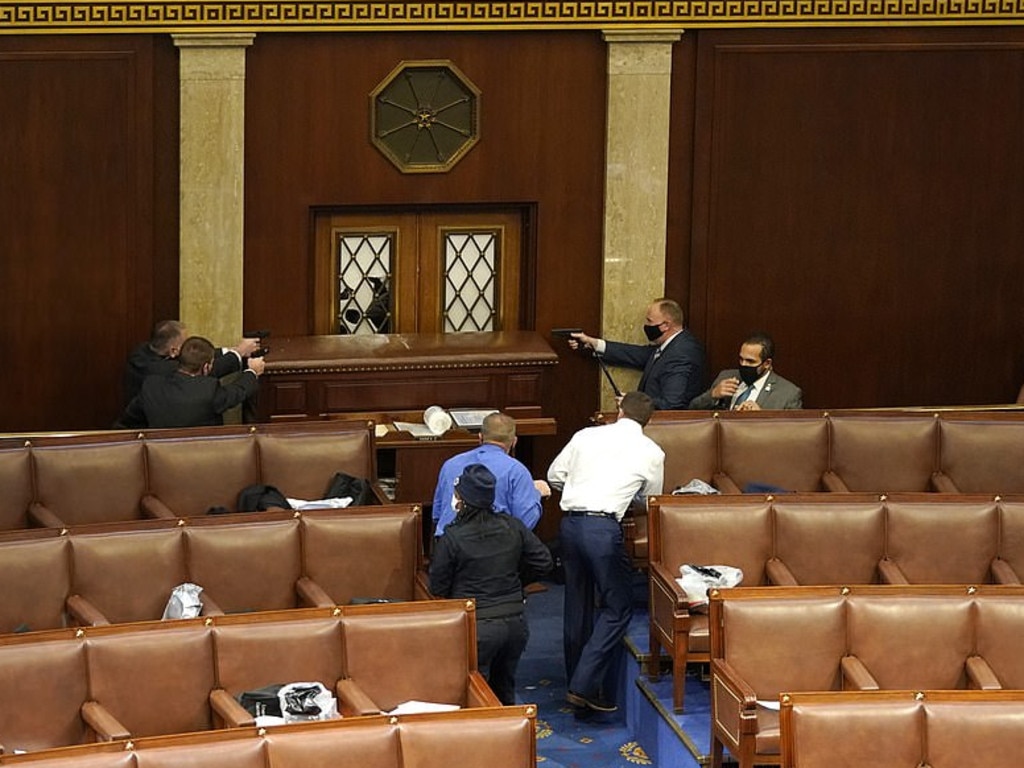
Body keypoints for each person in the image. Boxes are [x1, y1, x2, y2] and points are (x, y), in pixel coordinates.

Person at [547, 391, 664, 714]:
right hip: (604, 530)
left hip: (570, 525)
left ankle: (577, 682)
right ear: (647, 421)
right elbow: (649, 500)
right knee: (617, 607)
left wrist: (577, 490)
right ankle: (583, 685)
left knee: (577, 604)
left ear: (620, 411)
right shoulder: (652, 451)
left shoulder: (585, 435)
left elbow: (555, 475)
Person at [429, 463, 554, 705]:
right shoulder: (513, 526)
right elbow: (544, 562)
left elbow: (438, 587)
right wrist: (517, 583)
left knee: (475, 697)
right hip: (515, 623)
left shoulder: (452, 537)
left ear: (461, 499)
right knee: (504, 688)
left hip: (477, 626)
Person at [567, 298, 705, 410]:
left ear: (666, 325)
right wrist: (593, 343)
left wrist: (633, 403)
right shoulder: (673, 344)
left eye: (649, 321)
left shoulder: (682, 353)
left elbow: (672, 403)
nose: (646, 325)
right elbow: (636, 354)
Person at [432, 412, 550, 537]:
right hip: (490, 549)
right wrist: (535, 493)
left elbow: (437, 515)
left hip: (447, 545)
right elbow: (525, 522)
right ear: (514, 442)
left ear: (480, 437)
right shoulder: (517, 471)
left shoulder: (450, 465)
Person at [116, 336, 264, 429]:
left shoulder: (151, 386)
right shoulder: (209, 389)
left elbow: (128, 421)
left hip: (159, 457)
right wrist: (252, 371)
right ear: (207, 367)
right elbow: (238, 391)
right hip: (200, 459)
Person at [122, 320, 262, 405]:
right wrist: (239, 354)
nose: (190, 346)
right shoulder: (161, 370)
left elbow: (193, 357)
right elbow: (200, 366)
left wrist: (229, 350)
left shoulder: (143, 351)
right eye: (186, 343)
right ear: (173, 351)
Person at [689, 332, 803, 411]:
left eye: (750, 361)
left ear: (767, 363)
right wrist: (713, 395)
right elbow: (692, 410)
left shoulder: (788, 393)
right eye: (741, 359)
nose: (743, 365)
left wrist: (762, 418)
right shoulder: (726, 376)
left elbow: (793, 433)